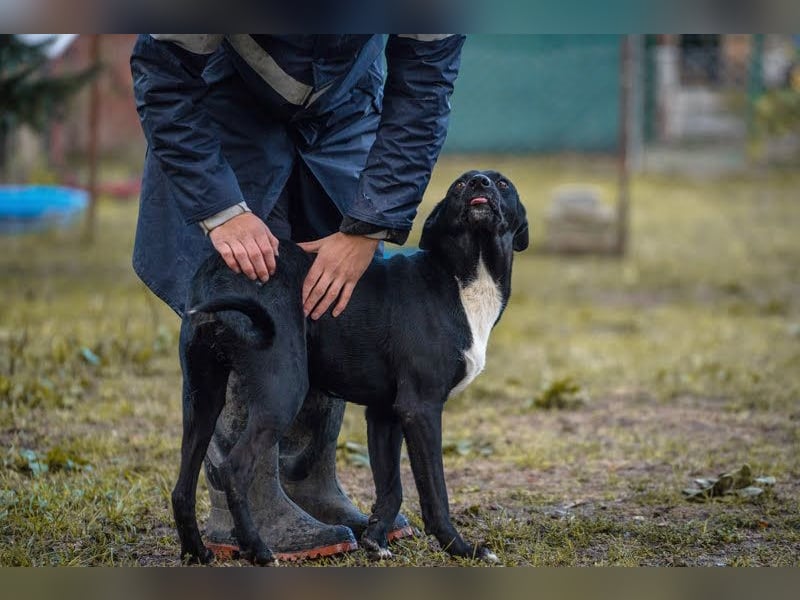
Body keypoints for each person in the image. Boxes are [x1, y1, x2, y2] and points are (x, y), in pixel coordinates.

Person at [131, 33, 465, 557]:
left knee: (334, 287)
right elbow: (165, 75)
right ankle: (245, 499)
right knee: (251, 292)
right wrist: (221, 208)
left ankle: (308, 480)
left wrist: (368, 225)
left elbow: (425, 85)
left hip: (343, 108)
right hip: (227, 102)